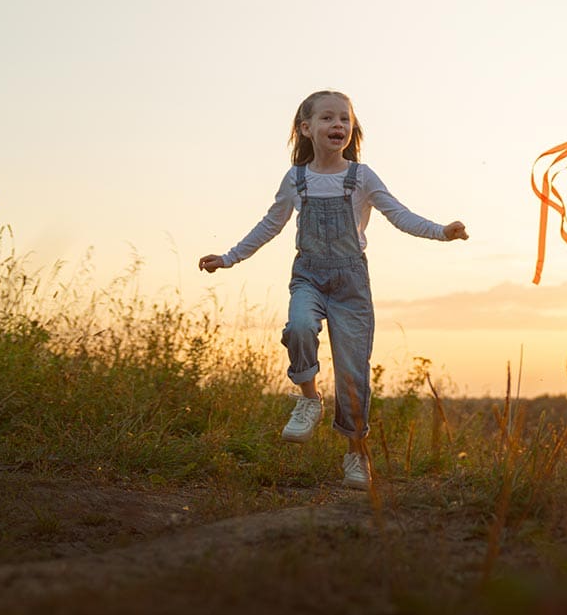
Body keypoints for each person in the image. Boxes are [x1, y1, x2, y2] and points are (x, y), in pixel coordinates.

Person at [199, 89, 468, 490]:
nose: (337, 125)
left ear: (352, 128)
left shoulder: (361, 176)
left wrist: (442, 233)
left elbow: (400, 215)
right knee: (300, 327)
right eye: (327, 118)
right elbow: (270, 225)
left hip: (351, 284)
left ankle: (356, 456)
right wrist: (229, 257)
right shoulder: (296, 179)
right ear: (306, 129)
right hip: (308, 274)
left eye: (344, 118)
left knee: (352, 375)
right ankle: (308, 398)